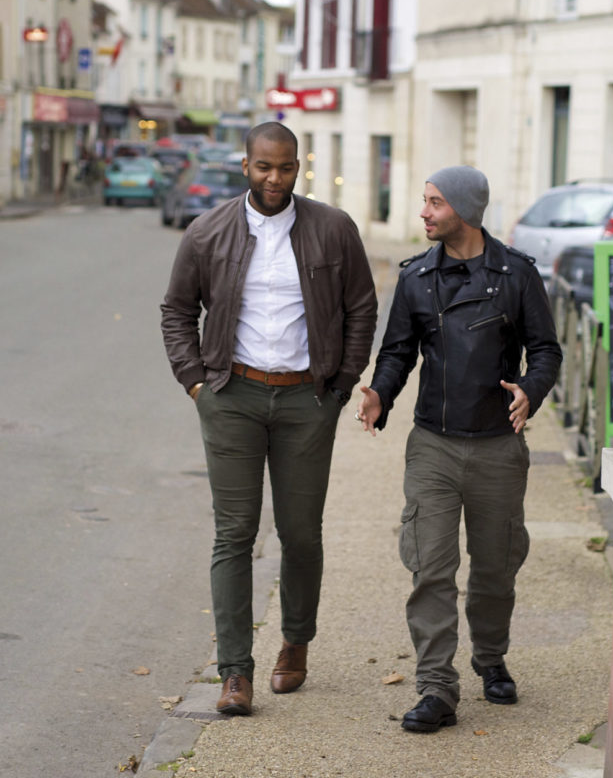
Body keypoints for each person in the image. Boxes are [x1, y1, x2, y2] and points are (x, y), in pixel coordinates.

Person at [161, 121, 377, 717]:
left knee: (301, 533)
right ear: (246, 165)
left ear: (298, 166)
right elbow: (178, 310)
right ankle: (235, 672)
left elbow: (361, 305)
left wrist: (339, 383)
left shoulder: (332, 229)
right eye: (264, 167)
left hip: (308, 401)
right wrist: (197, 383)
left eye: (285, 168)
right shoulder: (207, 232)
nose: (274, 179)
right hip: (233, 396)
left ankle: (295, 644)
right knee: (234, 534)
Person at [356, 166, 561, 733]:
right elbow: (398, 353)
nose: (423, 212)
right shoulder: (417, 278)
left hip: (499, 447)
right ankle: (437, 687)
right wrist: (380, 394)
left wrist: (530, 391)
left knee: (496, 568)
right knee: (430, 567)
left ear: (465, 211)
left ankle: (491, 658)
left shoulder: (517, 275)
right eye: (424, 201)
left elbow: (546, 350)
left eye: (434, 203)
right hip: (433, 448)